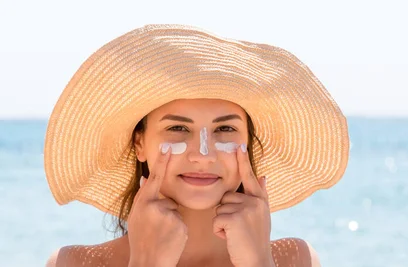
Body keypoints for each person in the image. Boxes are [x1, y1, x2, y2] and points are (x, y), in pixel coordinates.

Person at [43, 24, 349, 267]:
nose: (203, 155)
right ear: (139, 144)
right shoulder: (72, 264)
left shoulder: (296, 260)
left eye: (225, 128)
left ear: (248, 145)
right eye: (177, 128)